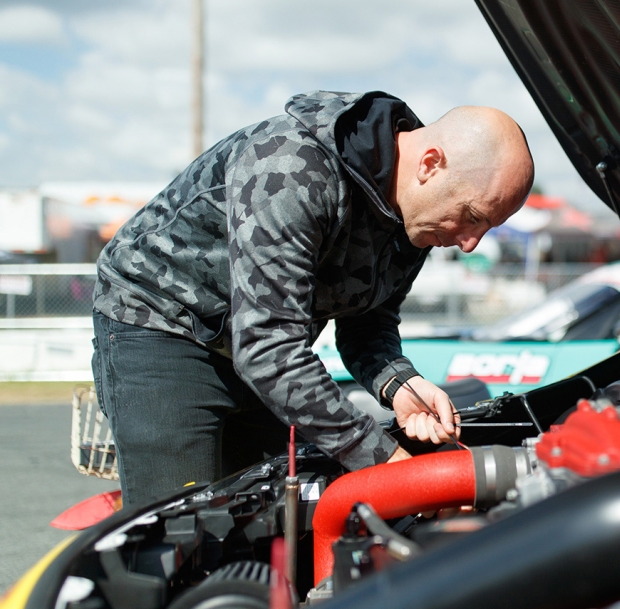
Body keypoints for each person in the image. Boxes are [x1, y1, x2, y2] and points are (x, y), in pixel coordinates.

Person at [91, 91, 534, 507]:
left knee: (275, 517)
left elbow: (367, 323)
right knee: (184, 528)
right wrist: (390, 466)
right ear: (431, 163)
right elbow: (268, 349)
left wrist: (401, 385)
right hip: (162, 324)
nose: (471, 242)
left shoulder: (416, 219)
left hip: (258, 351)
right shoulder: (289, 168)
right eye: (473, 216)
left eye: (487, 228)